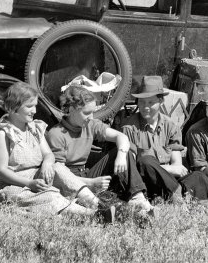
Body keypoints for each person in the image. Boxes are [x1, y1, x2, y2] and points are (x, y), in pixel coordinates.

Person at [0, 82, 94, 215]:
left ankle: (95, 202)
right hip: (12, 185)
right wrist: (29, 183)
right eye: (29, 106)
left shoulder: (34, 128)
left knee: (58, 168)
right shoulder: (1, 134)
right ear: (13, 108)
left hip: (35, 178)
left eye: (35, 106)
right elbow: (1, 170)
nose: (35, 111)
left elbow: (48, 154)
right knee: (50, 197)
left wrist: (47, 164)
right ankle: (91, 214)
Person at [47, 85, 153, 213]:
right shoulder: (56, 134)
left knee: (124, 152)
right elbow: (60, 176)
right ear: (71, 109)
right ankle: (118, 208)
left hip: (86, 172)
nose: (91, 117)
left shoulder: (90, 125)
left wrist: (120, 155)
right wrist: (91, 183)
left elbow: (121, 137)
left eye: (92, 112)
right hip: (70, 181)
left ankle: (138, 198)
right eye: (86, 113)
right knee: (104, 200)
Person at [118, 75, 208, 202]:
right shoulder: (129, 128)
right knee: (146, 161)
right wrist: (168, 169)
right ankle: (179, 196)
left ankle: (207, 204)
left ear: (161, 101)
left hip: (170, 180)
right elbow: (133, 168)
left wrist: (171, 170)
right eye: (142, 102)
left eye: (151, 102)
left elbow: (177, 165)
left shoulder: (170, 126)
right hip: (146, 183)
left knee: (199, 176)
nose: (145, 106)